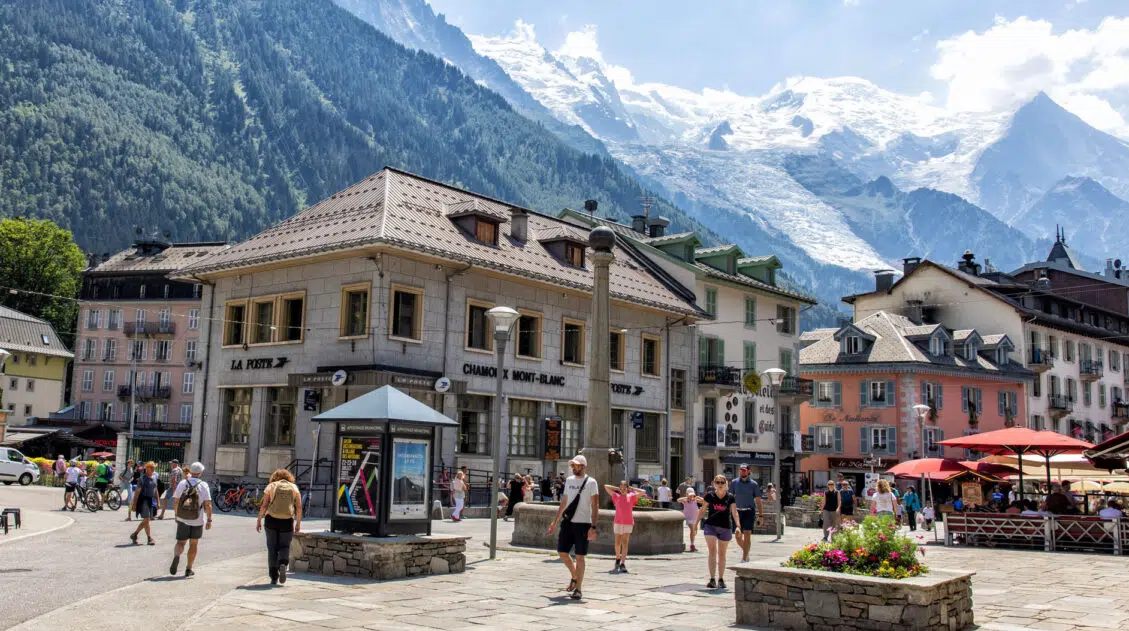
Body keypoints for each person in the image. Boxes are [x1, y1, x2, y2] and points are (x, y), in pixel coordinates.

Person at [546, 455, 599, 600]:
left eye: (576, 465)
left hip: (583, 523)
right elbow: (564, 502)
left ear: (583, 466)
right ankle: (575, 576)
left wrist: (593, 526)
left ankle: (578, 589)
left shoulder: (591, 482)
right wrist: (554, 522)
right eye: (572, 466)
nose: (573, 468)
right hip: (568, 521)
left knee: (580, 556)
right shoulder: (569, 480)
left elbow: (595, 506)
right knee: (562, 552)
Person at [256, 469, 303, 585]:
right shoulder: (294, 487)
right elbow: (299, 507)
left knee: (272, 548)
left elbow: (264, 505)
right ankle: (283, 563)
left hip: (271, 520)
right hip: (287, 520)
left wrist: (259, 520)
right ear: (289, 477)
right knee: (284, 546)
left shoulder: (271, 486)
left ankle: (273, 577)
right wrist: (298, 523)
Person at [695, 475, 741, 589]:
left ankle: (721, 578)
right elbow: (702, 510)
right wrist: (695, 524)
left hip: (725, 527)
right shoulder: (709, 496)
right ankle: (712, 579)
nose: (720, 484)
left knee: (722, 554)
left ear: (726, 484)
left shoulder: (730, 497)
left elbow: (734, 512)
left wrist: (738, 526)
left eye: (722, 482)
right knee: (712, 551)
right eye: (717, 482)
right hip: (711, 526)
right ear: (714, 484)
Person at [170, 462, 213, 578]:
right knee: (193, 544)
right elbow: (208, 504)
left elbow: (176, 500)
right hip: (197, 519)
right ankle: (188, 568)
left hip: (182, 517)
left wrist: (176, 515)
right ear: (201, 472)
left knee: (180, 542)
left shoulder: (183, 483)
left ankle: (177, 556)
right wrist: (209, 519)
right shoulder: (203, 485)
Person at [605, 480, 646, 572]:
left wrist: (631, 489)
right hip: (618, 521)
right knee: (617, 542)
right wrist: (618, 489)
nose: (623, 490)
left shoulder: (631, 496)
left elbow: (643, 492)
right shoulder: (616, 496)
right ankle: (617, 558)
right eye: (621, 488)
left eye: (625, 488)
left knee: (625, 542)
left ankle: (623, 563)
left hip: (628, 522)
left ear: (628, 489)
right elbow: (606, 486)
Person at [731, 464, 764, 562]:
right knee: (737, 536)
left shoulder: (754, 484)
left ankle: (744, 558)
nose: (742, 472)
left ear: (749, 472)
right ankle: (746, 551)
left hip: (749, 511)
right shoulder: (734, 483)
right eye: (741, 470)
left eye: (744, 470)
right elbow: (730, 498)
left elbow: (758, 500)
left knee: (747, 534)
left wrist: (761, 516)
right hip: (737, 512)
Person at [129, 461, 160, 545]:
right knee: (147, 519)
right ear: (147, 468)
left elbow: (155, 489)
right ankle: (149, 538)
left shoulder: (154, 477)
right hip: (143, 500)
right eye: (151, 468)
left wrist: (158, 501)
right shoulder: (142, 479)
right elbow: (137, 492)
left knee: (147, 520)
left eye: (154, 468)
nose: (153, 469)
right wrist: (134, 504)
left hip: (150, 500)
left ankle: (135, 534)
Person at [678, 487, 701, 552]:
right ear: (687, 494)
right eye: (690, 495)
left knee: (694, 532)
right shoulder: (685, 500)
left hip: (695, 518)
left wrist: (698, 497)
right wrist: (687, 498)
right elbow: (678, 500)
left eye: (692, 495)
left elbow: (704, 501)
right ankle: (692, 545)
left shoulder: (695, 500)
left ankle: (692, 544)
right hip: (689, 518)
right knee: (692, 530)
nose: (691, 496)